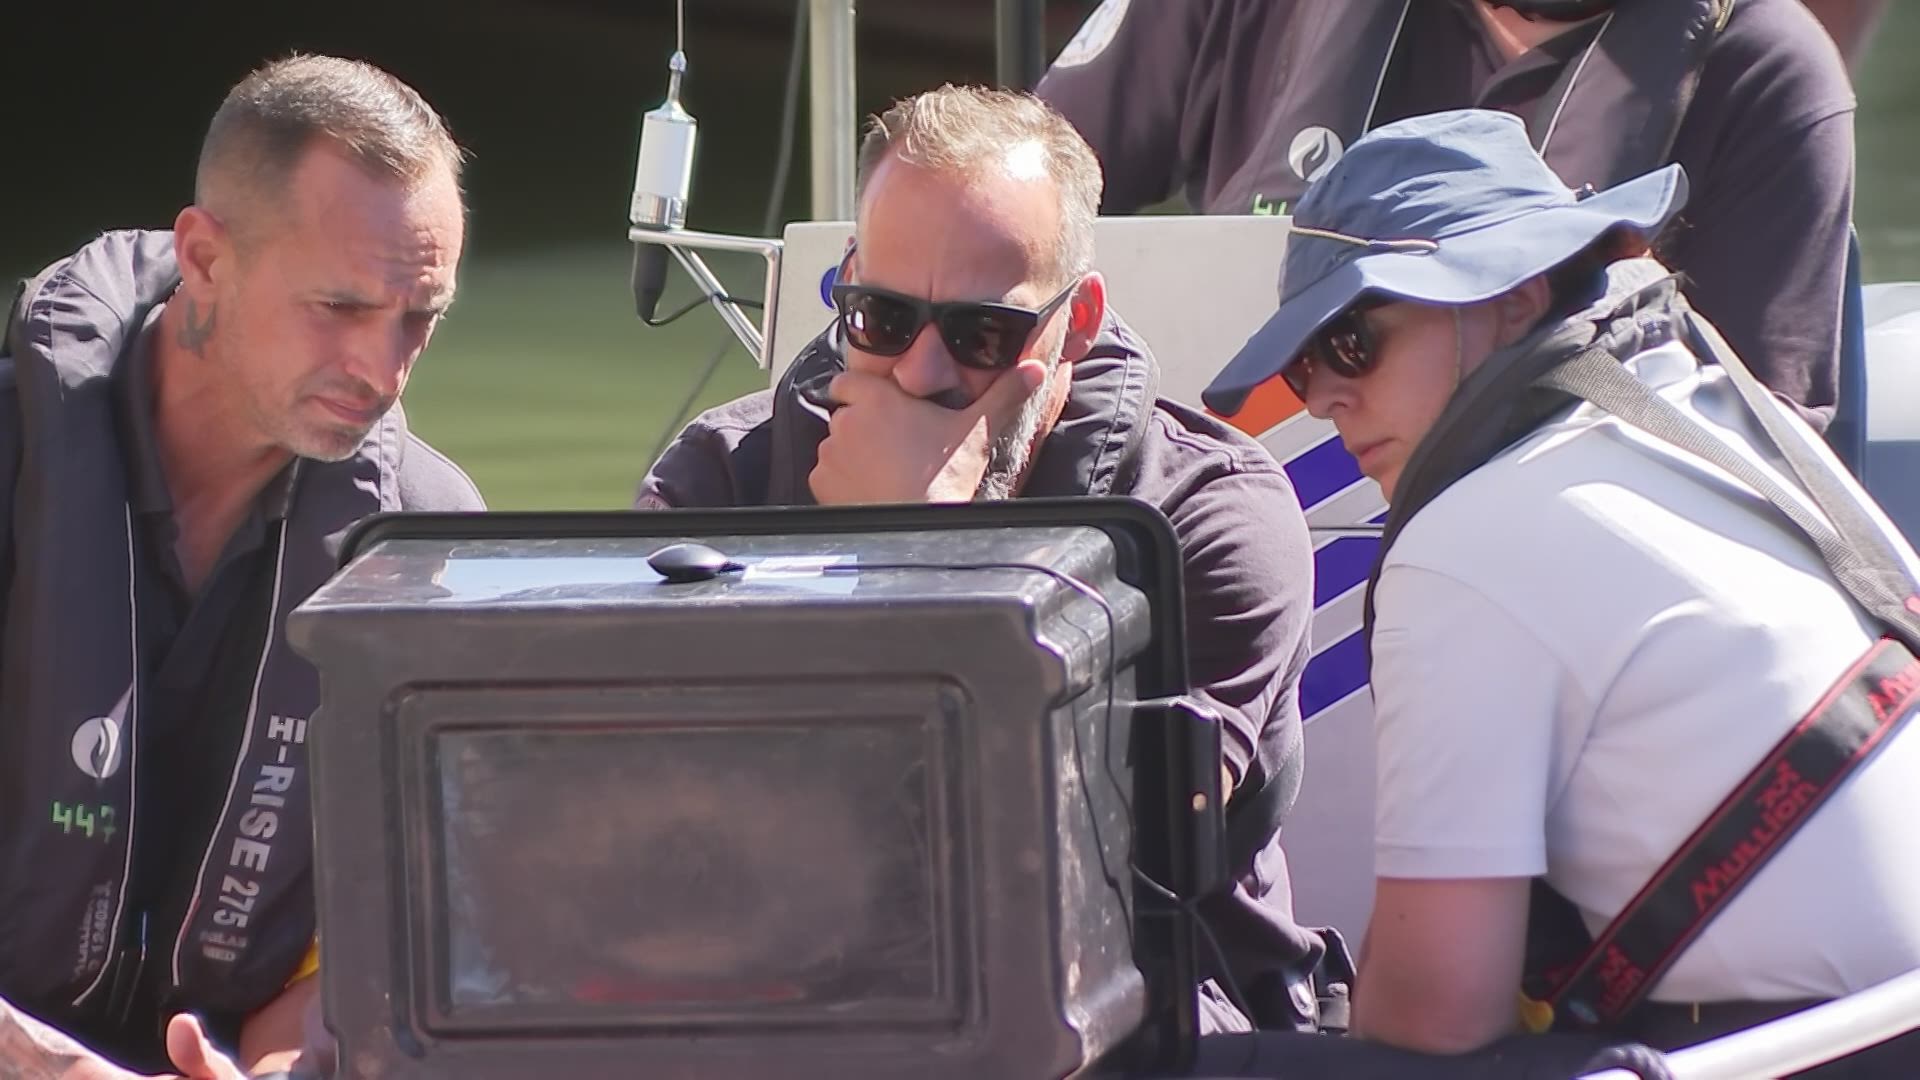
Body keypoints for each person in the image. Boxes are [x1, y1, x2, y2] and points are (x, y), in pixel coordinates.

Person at [1201, 108, 1920, 1071]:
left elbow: (1432, 1019)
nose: (1325, 397)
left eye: (1353, 342)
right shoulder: (1716, 409)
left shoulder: (1464, 544)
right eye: (1303, 366)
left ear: (1516, 294)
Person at [638, 84, 1331, 1034]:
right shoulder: (720, 482)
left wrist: (930, 553)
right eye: (883, 319)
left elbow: (1111, 865)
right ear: (845, 285)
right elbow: (657, 826)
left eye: (980, 334)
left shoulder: (1209, 521)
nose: (922, 374)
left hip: (1138, 1014)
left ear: (1077, 323)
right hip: (787, 1007)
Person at [0, 53, 486, 1078]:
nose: (383, 371)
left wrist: (277, 1067)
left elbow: (382, 929)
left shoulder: (425, 541)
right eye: (339, 307)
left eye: (420, 317)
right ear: (205, 258)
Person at [1037, 0, 1857, 431]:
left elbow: (1755, 450)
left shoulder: (1769, 71)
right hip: (1238, 516)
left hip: (1553, 566)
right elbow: (1015, 199)